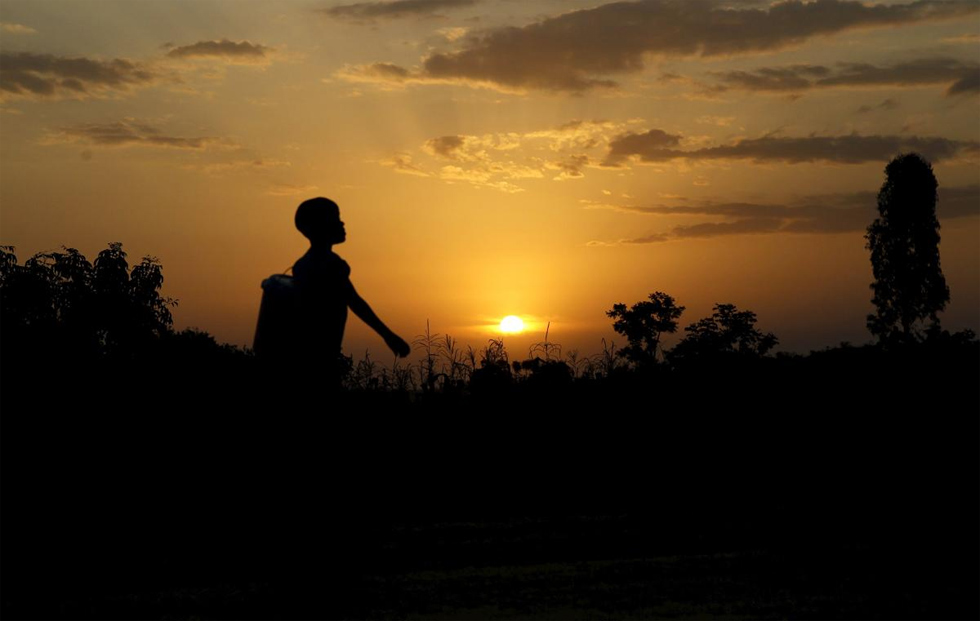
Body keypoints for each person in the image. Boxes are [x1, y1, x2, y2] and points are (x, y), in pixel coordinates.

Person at [258, 197, 410, 387]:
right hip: (319, 358)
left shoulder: (303, 264)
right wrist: (388, 335)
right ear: (320, 226)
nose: (342, 223)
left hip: (306, 356)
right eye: (335, 218)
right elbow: (354, 301)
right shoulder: (328, 264)